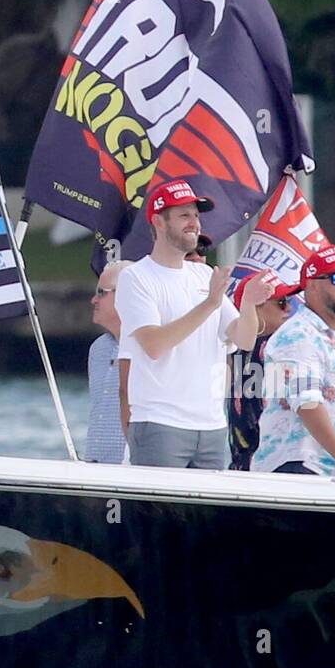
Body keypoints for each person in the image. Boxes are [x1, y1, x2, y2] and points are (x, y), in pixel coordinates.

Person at [116, 178, 276, 468]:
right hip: (160, 422)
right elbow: (153, 344)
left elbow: (243, 339)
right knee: (159, 513)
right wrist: (210, 304)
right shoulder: (136, 278)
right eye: (184, 215)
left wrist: (250, 303)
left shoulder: (202, 277)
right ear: (158, 222)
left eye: (196, 215)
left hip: (212, 424)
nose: (195, 223)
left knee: (206, 515)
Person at [252, 244, 335, 477]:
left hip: (326, 470)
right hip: (296, 468)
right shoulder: (297, 335)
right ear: (312, 286)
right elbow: (307, 404)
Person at [228, 278, 296, 470]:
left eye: (290, 302)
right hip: (266, 466)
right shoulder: (271, 348)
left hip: (244, 463)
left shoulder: (231, 348)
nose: (289, 309)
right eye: (282, 303)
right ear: (255, 308)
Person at [85, 259, 131, 464]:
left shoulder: (151, 347)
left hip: (132, 469)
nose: (94, 300)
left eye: (101, 292)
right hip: (95, 467)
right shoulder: (98, 348)